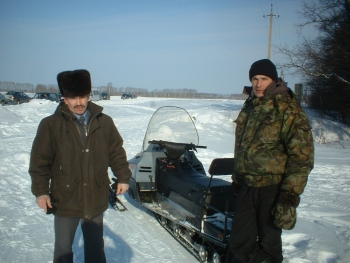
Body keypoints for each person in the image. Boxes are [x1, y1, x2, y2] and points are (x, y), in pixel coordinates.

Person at [29, 69, 131, 263]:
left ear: (88, 96)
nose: (78, 103)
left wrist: (123, 177)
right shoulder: (50, 125)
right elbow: (39, 161)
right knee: (63, 249)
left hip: (95, 194)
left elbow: (116, 151)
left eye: (82, 97)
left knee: (95, 247)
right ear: (64, 99)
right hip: (65, 197)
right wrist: (41, 191)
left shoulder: (105, 123)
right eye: (73, 97)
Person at [228, 59, 314, 263]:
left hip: (272, 188)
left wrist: (289, 196)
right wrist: (238, 179)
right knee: (239, 242)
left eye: (264, 79)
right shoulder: (251, 105)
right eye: (255, 79)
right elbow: (243, 146)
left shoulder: (287, 107)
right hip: (248, 185)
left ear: (274, 80)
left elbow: (302, 156)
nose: (258, 84)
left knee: (270, 244)